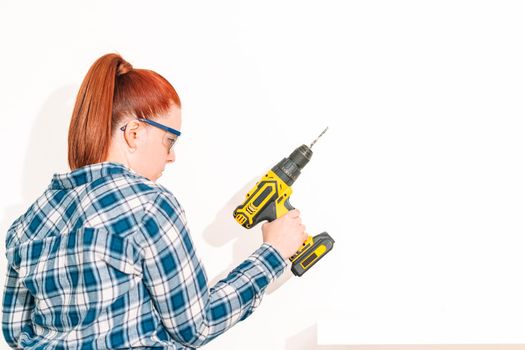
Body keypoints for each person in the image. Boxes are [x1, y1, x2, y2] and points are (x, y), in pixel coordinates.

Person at [2, 53, 307, 349]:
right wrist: (274, 252)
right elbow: (196, 325)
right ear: (134, 133)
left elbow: (15, 332)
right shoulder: (149, 206)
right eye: (170, 140)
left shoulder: (27, 224)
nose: (172, 155)